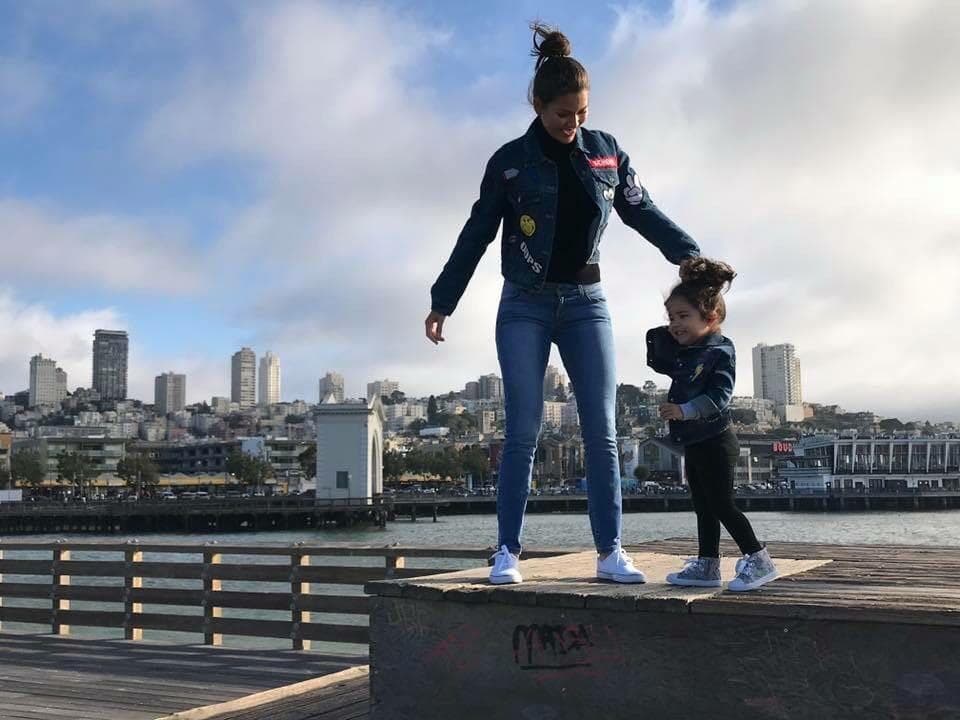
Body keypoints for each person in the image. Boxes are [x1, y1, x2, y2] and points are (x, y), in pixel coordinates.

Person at [425, 23, 700, 585]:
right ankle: (507, 553)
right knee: (524, 428)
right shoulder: (509, 161)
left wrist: (689, 254)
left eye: (581, 113)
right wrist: (443, 300)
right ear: (537, 104)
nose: (573, 125)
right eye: (562, 115)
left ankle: (610, 551)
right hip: (523, 304)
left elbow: (642, 211)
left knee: (603, 429)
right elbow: (476, 234)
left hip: (586, 304)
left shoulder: (607, 154)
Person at [647, 258, 779, 592]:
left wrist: (683, 410)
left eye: (683, 316)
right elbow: (656, 350)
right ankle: (707, 565)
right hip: (695, 442)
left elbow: (719, 397)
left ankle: (759, 559)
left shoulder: (720, 351)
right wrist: (673, 330)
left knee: (722, 503)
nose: (675, 324)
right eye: (672, 317)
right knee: (703, 506)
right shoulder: (684, 352)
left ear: (711, 317)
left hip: (717, 441)